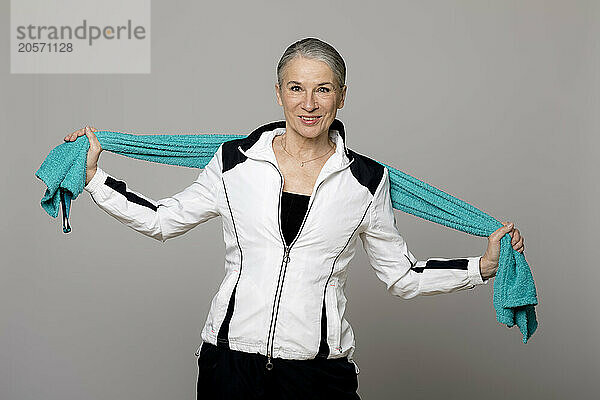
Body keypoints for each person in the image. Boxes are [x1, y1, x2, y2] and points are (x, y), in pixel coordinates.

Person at [64, 38, 525, 400]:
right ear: (279, 93)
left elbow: (401, 277)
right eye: (296, 88)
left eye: (323, 89)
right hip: (229, 367)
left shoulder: (366, 181)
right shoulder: (233, 162)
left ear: (341, 97)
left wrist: (481, 268)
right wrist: (94, 180)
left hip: (318, 374)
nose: (309, 103)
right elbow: (164, 220)